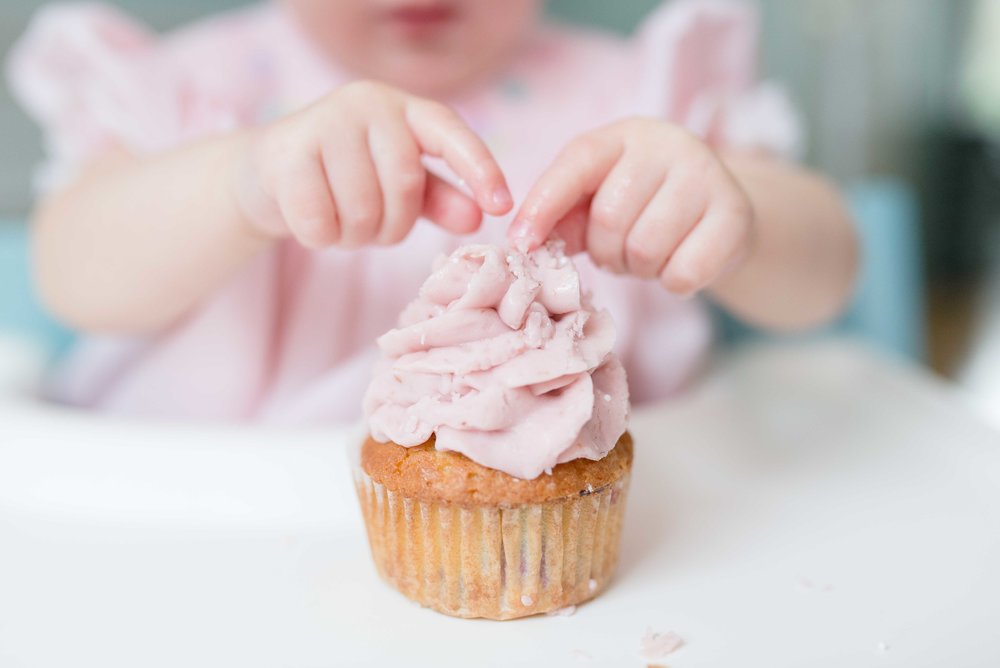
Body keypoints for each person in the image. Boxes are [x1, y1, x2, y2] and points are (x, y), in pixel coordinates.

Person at [6, 0, 857, 422]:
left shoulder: (636, 92)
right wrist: (243, 182)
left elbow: (826, 280)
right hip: (209, 516)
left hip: (575, 545)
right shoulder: (194, 88)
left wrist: (730, 213)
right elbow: (71, 275)